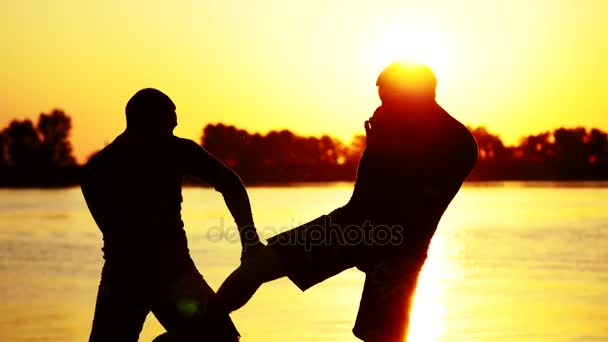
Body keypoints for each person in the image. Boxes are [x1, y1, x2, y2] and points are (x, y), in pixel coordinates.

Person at [215, 62, 479, 341]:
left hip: (392, 242)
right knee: (258, 266)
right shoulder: (414, 127)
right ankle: (204, 326)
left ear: (414, 93)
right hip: (363, 227)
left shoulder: (450, 139)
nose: (382, 103)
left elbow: (405, 194)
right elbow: (372, 187)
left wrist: (383, 138)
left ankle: (205, 323)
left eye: (387, 96)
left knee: (380, 334)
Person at [81, 88, 262, 341]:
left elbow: (230, 183)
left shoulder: (172, 151)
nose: (173, 131)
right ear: (146, 123)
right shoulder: (99, 171)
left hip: (155, 272)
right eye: (168, 126)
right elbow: (115, 232)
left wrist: (249, 238)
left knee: (222, 338)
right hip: (142, 274)